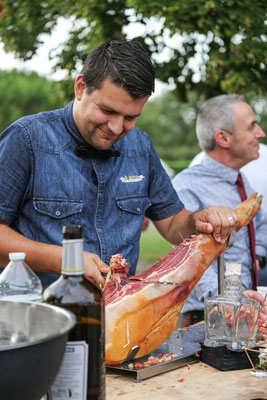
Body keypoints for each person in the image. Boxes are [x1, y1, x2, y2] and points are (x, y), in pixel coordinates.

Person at [0, 41, 238, 291]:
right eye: (107, 111)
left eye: (130, 117)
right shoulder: (26, 139)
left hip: (119, 316)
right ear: (80, 88)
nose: (116, 128)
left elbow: (171, 224)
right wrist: (67, 260)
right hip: (41, 315)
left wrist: (197, 219)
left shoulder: (141, 147)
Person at [172, 94, 267, 326]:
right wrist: (226, 305)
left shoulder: (242, 179)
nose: (261, 134)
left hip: (243, 313)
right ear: (223, 138)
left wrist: (258, 258)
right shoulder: (188, 185)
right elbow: (190, 259)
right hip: (207, 320)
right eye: (252, 126)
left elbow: (260, 224)